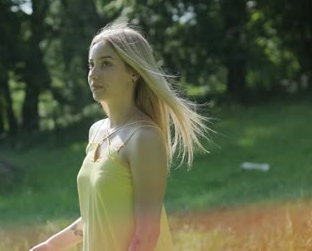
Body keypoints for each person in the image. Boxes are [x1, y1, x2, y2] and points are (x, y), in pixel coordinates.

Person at [30, 21, 210, 251]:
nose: (93, 74)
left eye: (106, 64)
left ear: (133, 71)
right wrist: (51, 245)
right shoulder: (96, 132)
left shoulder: (143, 137)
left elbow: (147, 234)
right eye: (91, 64)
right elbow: (100, 216)